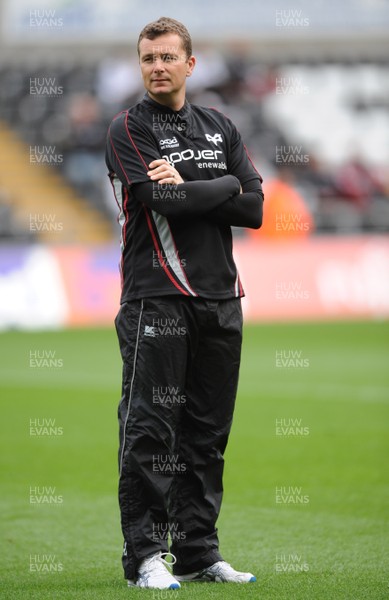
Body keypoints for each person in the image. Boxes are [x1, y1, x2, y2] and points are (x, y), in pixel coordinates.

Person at [105, 16, 264, 590]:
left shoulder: (220, 124)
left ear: (190, 64)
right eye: (148, 59)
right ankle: (144, 556)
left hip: (222, 298)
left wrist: (205, 187)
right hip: (157, 297)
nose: (158, 67)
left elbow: (255, 209)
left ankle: (198, 552)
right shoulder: (127, 128)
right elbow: (159, 199)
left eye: (168, 57)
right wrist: (222, 185)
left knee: (206, 433)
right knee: (150, 428)